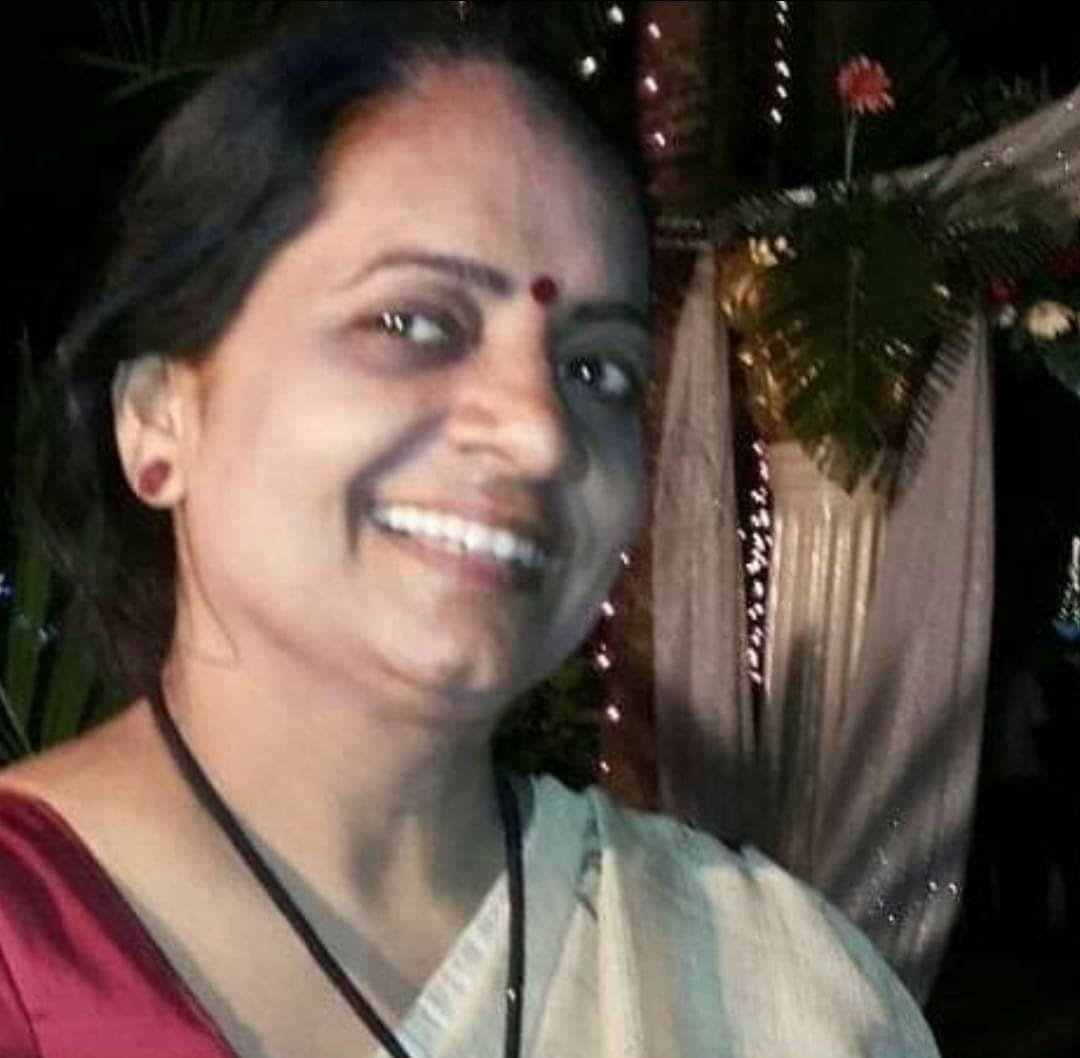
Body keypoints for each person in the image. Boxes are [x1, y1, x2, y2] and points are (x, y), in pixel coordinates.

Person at [0, 5, 939, 1056]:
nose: (539, 433)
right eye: (412, 322)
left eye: (597, 369)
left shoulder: (774, 980)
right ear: (157, 418)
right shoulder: (26, 947)